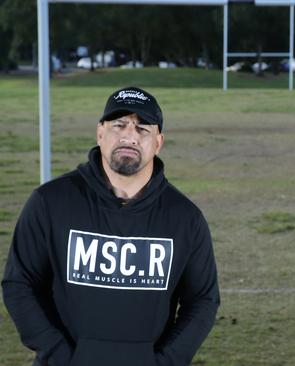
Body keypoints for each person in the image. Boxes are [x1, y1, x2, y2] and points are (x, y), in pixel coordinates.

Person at [2, 86, 220, 366]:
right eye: (119, 125)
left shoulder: (185, 218)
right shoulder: (51, 202)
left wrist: (165, 361)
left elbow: (202, 300)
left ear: (158, 142)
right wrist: (60, 355)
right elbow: (19, 284)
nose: (130, 136)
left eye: (143, 129)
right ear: (100, 133)